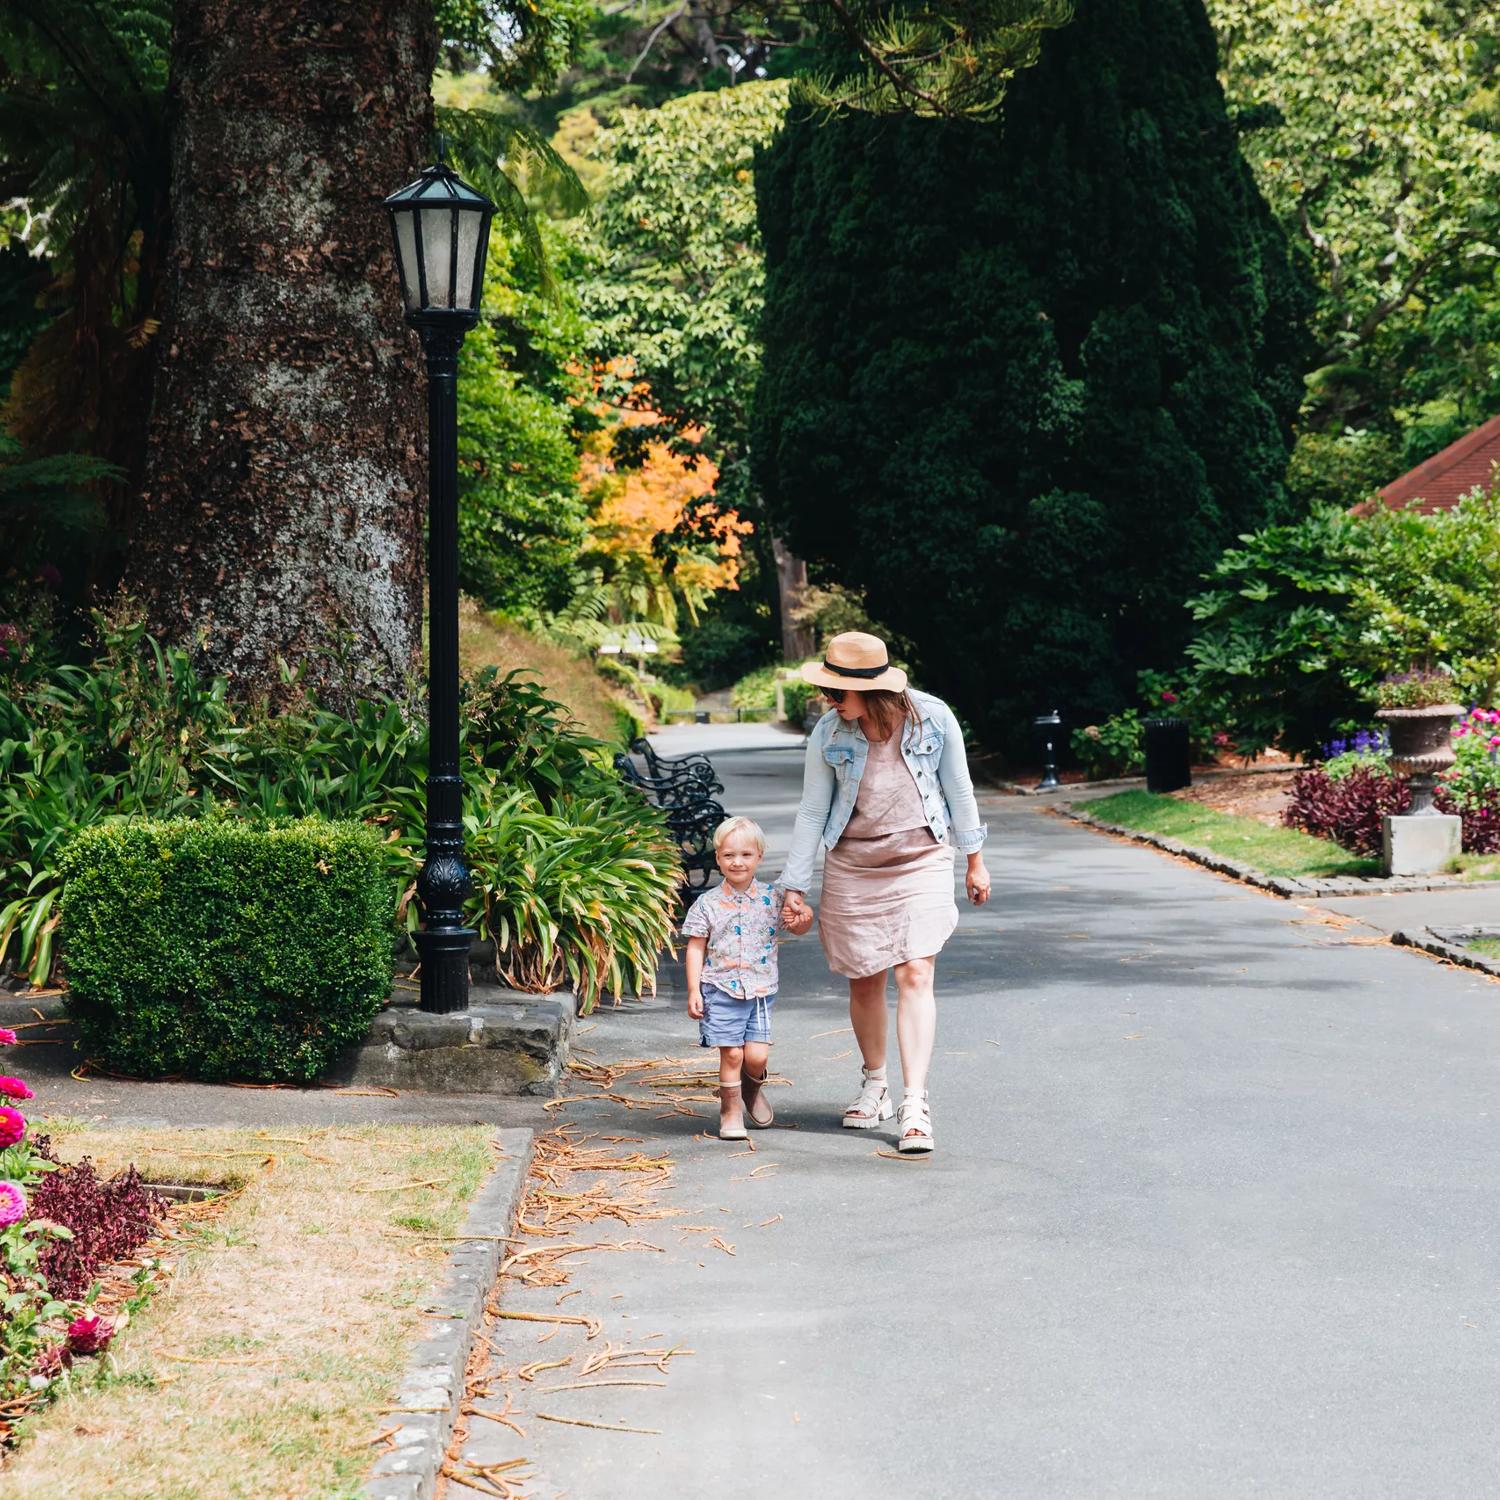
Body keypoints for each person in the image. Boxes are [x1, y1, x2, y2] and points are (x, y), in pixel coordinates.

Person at [780, 631, 991, 1154]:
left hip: (921, 859)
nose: (828, 701)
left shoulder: (933, 718)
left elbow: (959, 789)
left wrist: (975, 860)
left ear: (870, 690)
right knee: (865, 979)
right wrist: (793, 886)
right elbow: (811, 811)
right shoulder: (829, 732)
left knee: (916, 970)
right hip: (853, 864)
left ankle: (914, 1102)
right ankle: (875, 1082)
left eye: (836, 693)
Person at [683, 816, 813, 1140]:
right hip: (719, 988)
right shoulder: (707, 904)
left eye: (745, 855)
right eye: (728, 855)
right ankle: (730, 1112)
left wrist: (804, 917)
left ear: (759, 857)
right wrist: (693, 990)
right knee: (732, 1053)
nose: (737, 862)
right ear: (718, 858)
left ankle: (751, 1090)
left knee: (756, 1057)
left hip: (759, 989)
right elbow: (695, 948)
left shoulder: (773, 898)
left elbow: (798, 925)